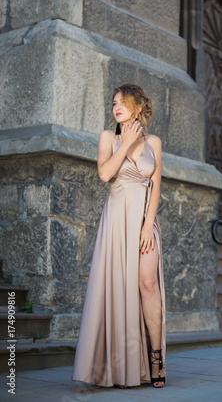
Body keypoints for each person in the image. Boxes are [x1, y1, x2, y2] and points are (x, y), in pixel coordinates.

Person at [71, 83, 166, 389]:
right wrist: (125, 144)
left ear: (138, 107)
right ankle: (120, 366)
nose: (116, 107)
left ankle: (156, 358)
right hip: (115, 222)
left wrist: (148, 225)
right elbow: (104, 174)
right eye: (113, 103)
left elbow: (156, 186)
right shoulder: (107, 138)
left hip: (143, 222)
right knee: (118, 289)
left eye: (122, 102)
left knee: (148, 284)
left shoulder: (154, 142)